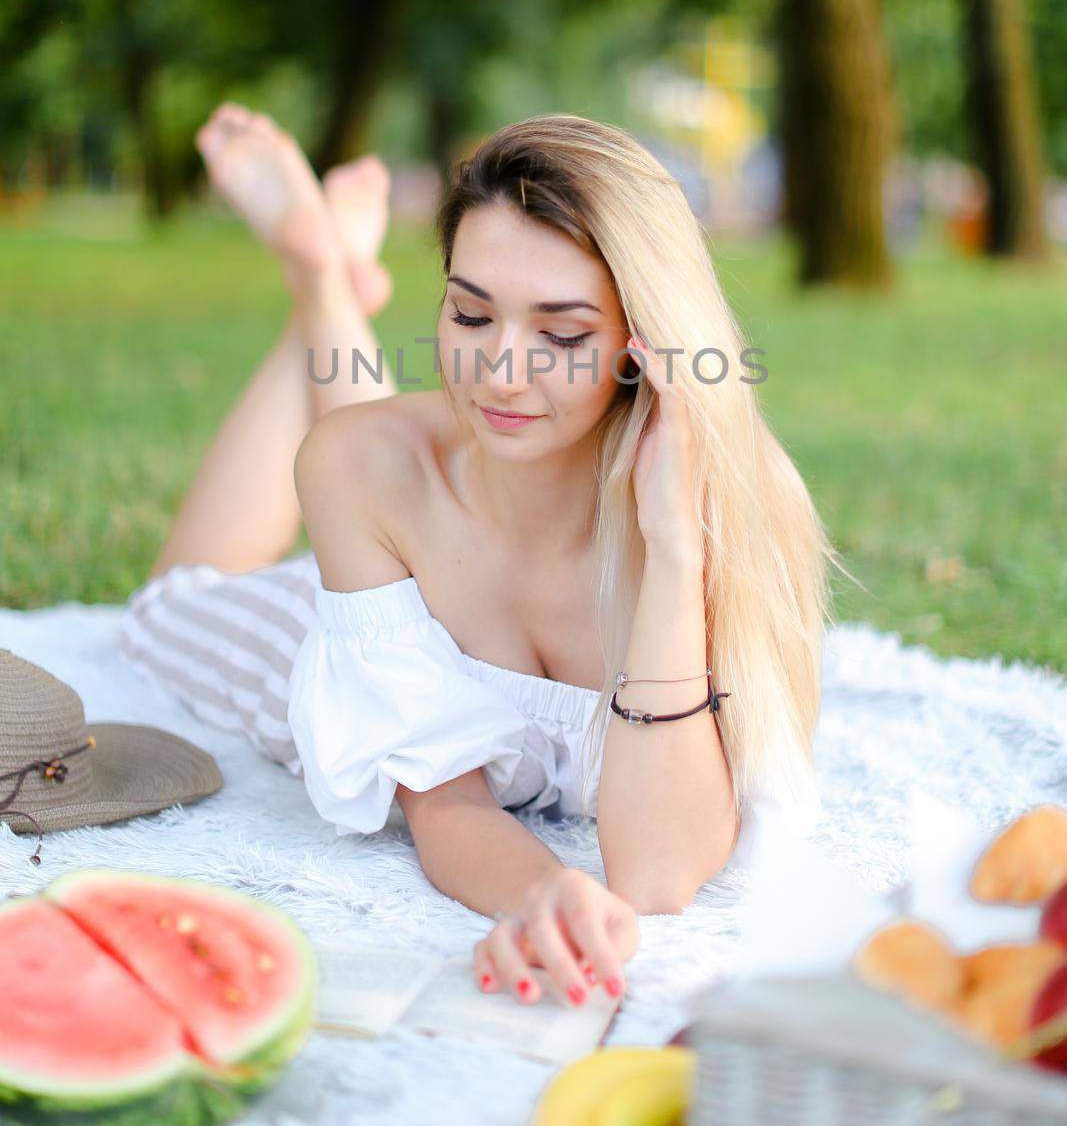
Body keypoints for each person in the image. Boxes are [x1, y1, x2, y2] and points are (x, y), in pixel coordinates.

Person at [121, 102, 838, 1013]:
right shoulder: (363, 469)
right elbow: (448, 807)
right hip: (354, 629)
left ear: (641, 343)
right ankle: (319, 275)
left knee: (387, 456)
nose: (500, 370)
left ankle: (327, 278)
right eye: (468, 313)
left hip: (434, 523)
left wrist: (671, 550)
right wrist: (542, 888)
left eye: (563, 334)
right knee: (171, 602)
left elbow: (657, 875)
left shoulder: (735, 501)